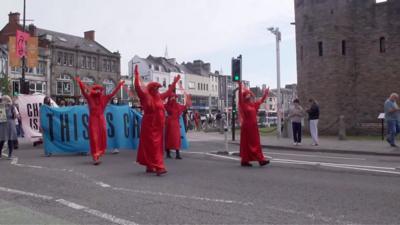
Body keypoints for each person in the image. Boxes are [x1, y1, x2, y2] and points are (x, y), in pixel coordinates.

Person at [134, 65, 180, 176]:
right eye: (155, 88)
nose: (157, 90)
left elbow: (169, 92)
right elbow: (137, 88)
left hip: (158, 126)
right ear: (151, 89)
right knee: (153, 145)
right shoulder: (145, 97)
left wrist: (175, 82)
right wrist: (136, 75)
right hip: (149, 125)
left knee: (157, 146)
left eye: (158, 89)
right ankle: (159, 167)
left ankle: (150, 165)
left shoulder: (159, 97)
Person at [76, 77, 124, 165]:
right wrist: (80, 83)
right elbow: (83, 92)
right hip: (93, 119)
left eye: (99, 90)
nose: (98, 91)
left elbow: (113, 93)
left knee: (102, 137)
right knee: (94, 138)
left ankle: (99, 153)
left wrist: (119, 86)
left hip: (101, 120)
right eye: (96, 90)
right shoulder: (90, 98)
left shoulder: (104, 98)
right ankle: (95, 157)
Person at [238, 82, 270, 167]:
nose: (250, 96)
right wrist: (240, 85)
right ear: (245, 96)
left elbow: (261, 101)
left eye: (250, 95)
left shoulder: (253, 105)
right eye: (247, 95)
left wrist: (265, 94)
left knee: (256, 143)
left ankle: (256, 159)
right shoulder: (243, 105)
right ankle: (249, 160)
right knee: (248, 143)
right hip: (247, 127)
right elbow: (240, 98)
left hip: (253, 127)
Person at [165, 92, 191, 159]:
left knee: (176, 138)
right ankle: (169, 153)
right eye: (172, 97)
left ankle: (177, 153)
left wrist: (188, 99)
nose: (173, 99)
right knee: (170, 138)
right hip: (170, 123)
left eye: (174, 97)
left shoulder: (176, 105)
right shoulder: (168, 105)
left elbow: (185, 106)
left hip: (174, 124)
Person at [0, 95, 18, 160]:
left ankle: (4, 155)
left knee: (3, 140)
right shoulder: (10, 106)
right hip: (8, 123)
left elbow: (2, 118)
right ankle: (9, 155)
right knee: (8, 139)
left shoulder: (3, 106)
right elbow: (15, 116)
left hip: (5, 124)